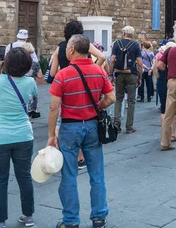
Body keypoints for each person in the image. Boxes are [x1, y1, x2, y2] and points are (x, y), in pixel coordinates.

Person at [48, 35, 116, 228]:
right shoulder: (99, 71)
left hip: (70, 127)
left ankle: (70, 221)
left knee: (68, 175)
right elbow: (111, 98)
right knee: (97, 174)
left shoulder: (63, 74)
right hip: (93, 126)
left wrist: (51, 135)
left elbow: (54, 107)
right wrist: (97, 106)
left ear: (71, 50)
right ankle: (99, 217)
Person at [0, 48, 38, 228]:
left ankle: (0, 221)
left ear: (6, 63)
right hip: (23, 134)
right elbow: (32, 101)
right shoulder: (30, 82)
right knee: (24, 177)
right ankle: (28, 216)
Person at [108, 26, 143, 134]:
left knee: (119, 98)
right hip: (131, 73)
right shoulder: (136, 45)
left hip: (119, 73)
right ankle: (129, 126)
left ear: (123, 33)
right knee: (131, 100)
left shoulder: (116, 44)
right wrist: (139, 77)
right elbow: (140, 63)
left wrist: (110, 74)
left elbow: (112, 60)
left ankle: (117, 123)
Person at [153, 42, 176, 142]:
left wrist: (159, 78)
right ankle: (173, 134)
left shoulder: (159, 55)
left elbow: (155, 69)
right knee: (174, 109)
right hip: (172, 82)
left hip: (162, 82)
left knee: (164, 108)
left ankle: (164, 133)